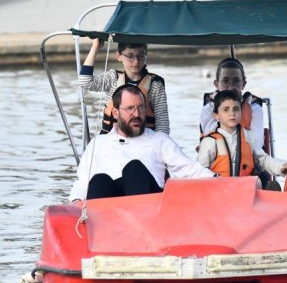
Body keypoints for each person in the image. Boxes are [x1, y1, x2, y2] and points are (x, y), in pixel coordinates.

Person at [70, 85, 214, 201]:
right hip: (109, 210)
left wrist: (220, 181)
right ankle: (97, 233)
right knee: (99, 180)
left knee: (133, 168)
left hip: (148, 205)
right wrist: (74, 202)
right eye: (130, 109)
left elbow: (189, 170)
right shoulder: (99, 143)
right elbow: (82, 182)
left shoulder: (159, 140)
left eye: (141, 107)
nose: (137, 114)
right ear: (115, 113)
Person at [79, 38, 169, 134]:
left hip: (143, 142)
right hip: (111, 140)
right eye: (130, 56)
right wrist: (95, 47)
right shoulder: (113, 78)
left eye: (141, 55)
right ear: (119, 56)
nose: (136, 61)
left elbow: (162, 126)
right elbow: (85, 82)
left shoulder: (155, 85)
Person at [197, 91, 287, 181]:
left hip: (246, 190)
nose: (232, 113)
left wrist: (281, 168)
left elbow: (263, 160)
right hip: (219, 191)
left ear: (241, 113)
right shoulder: (209, 141)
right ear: (216, 115)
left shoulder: (249, 136)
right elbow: (200, 171)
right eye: (226, 109)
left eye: (236, 109)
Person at [200, 58, 264, 146]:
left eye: (236, 81)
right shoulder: (208, 109)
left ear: (243, 84)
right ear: (217, 84)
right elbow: (212, 140)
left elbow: (257, 142)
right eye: (225, 81)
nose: (230, 87)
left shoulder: (255, 109)